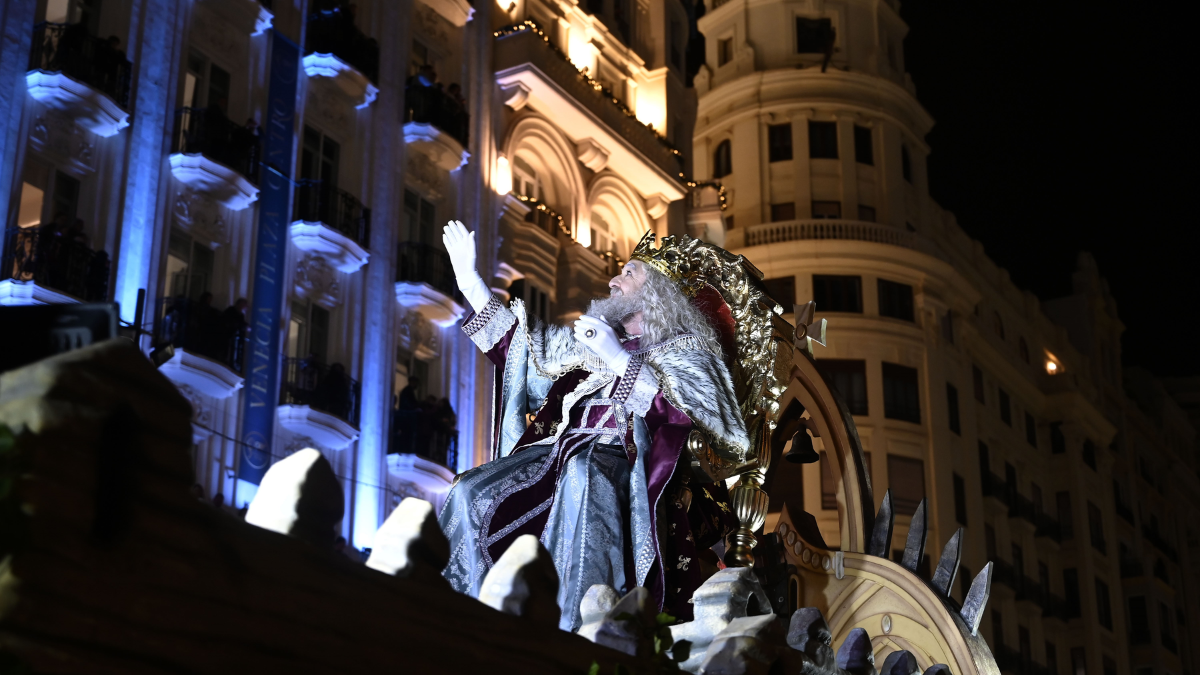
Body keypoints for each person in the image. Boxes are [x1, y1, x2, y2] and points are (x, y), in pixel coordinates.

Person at [437, 220, 746, 630]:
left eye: (628, 273)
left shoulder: (688, 350)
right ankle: (459, 616)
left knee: (584, 475)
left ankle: (577, 626)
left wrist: (620, 359)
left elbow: (710, 428)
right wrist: (473, 286)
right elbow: (526, 357)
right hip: (553, 457)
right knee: (469, 489)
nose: (613, 281)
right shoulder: (592, 343)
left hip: (627, 463)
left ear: (658, 292)